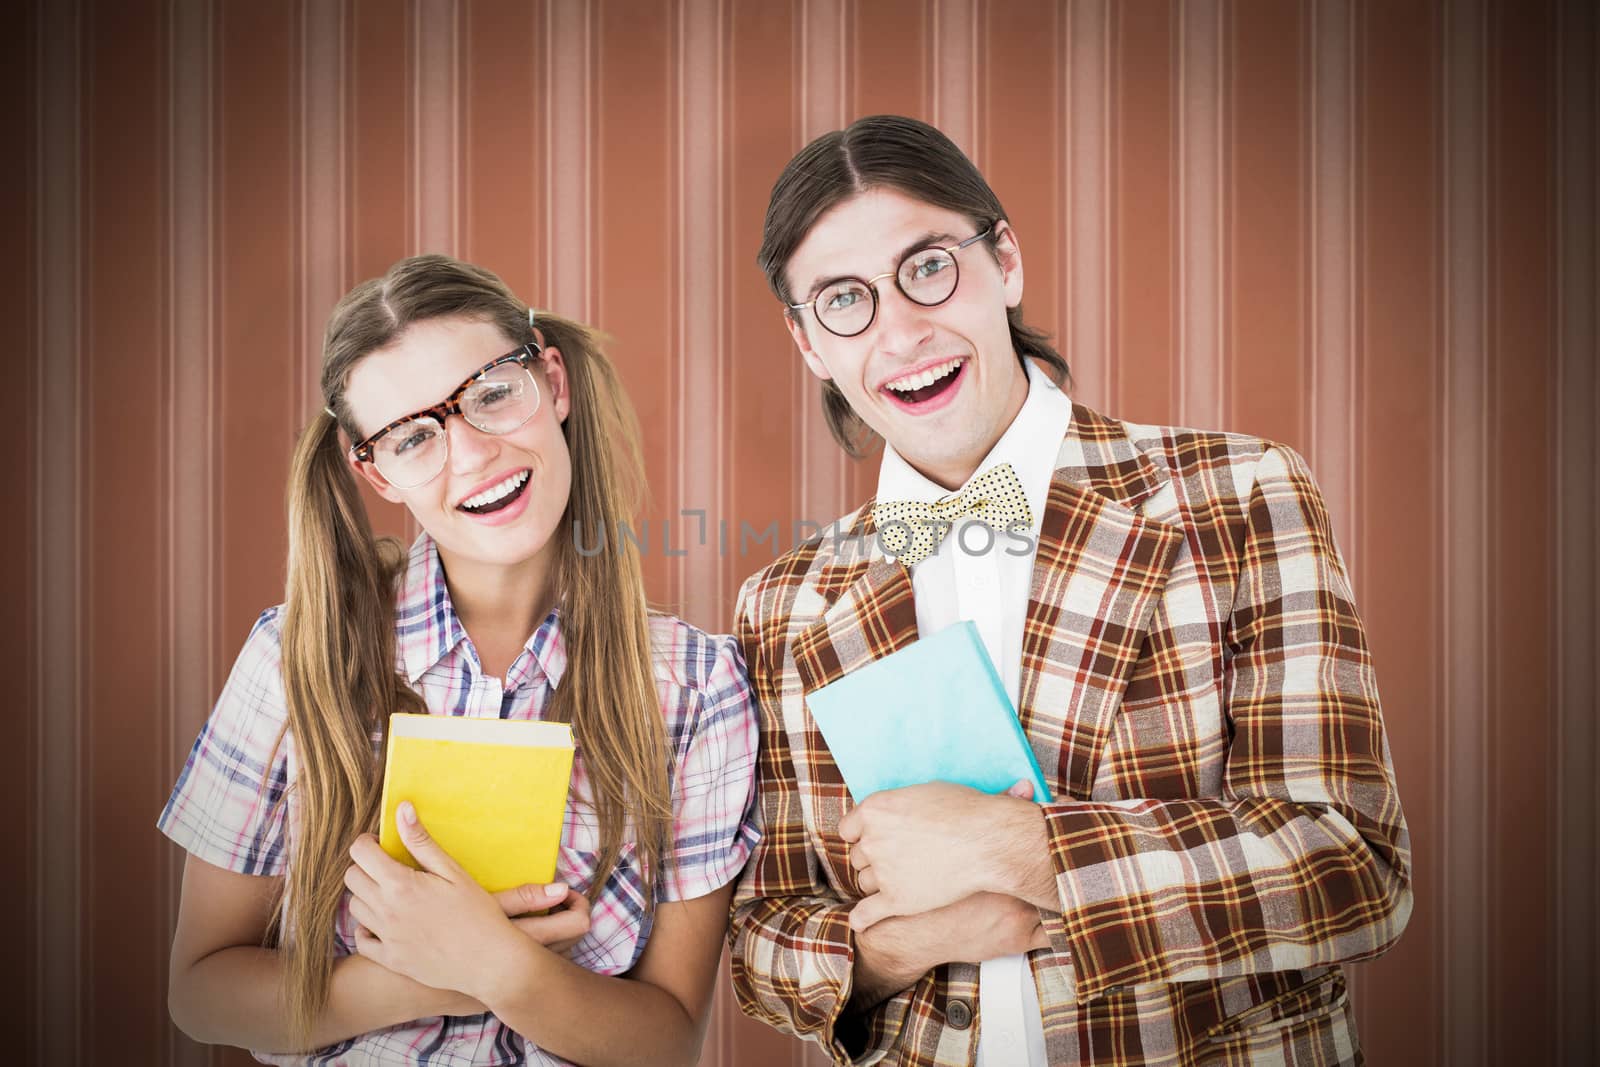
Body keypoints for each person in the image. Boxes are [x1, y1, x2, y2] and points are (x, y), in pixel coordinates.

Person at [728, 115, 1411, 1066]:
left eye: (929, 267)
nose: (901, 329)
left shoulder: (1238, 493)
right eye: (846, 300)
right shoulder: (785, 603)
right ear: (808, 344)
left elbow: (1352, 868)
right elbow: (764, 935)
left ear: (1004, 259)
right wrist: (914, 939)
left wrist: (1022, 849)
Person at [160, 254, 759, 1066]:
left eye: (492, 394)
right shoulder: (294, 659)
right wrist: (437, 972)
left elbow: (667, 1040)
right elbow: (201, 989)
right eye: (414, 436)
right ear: (375, 471)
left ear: (552, 381)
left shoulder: (697, 687)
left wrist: (495, 961)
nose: (472, 453)